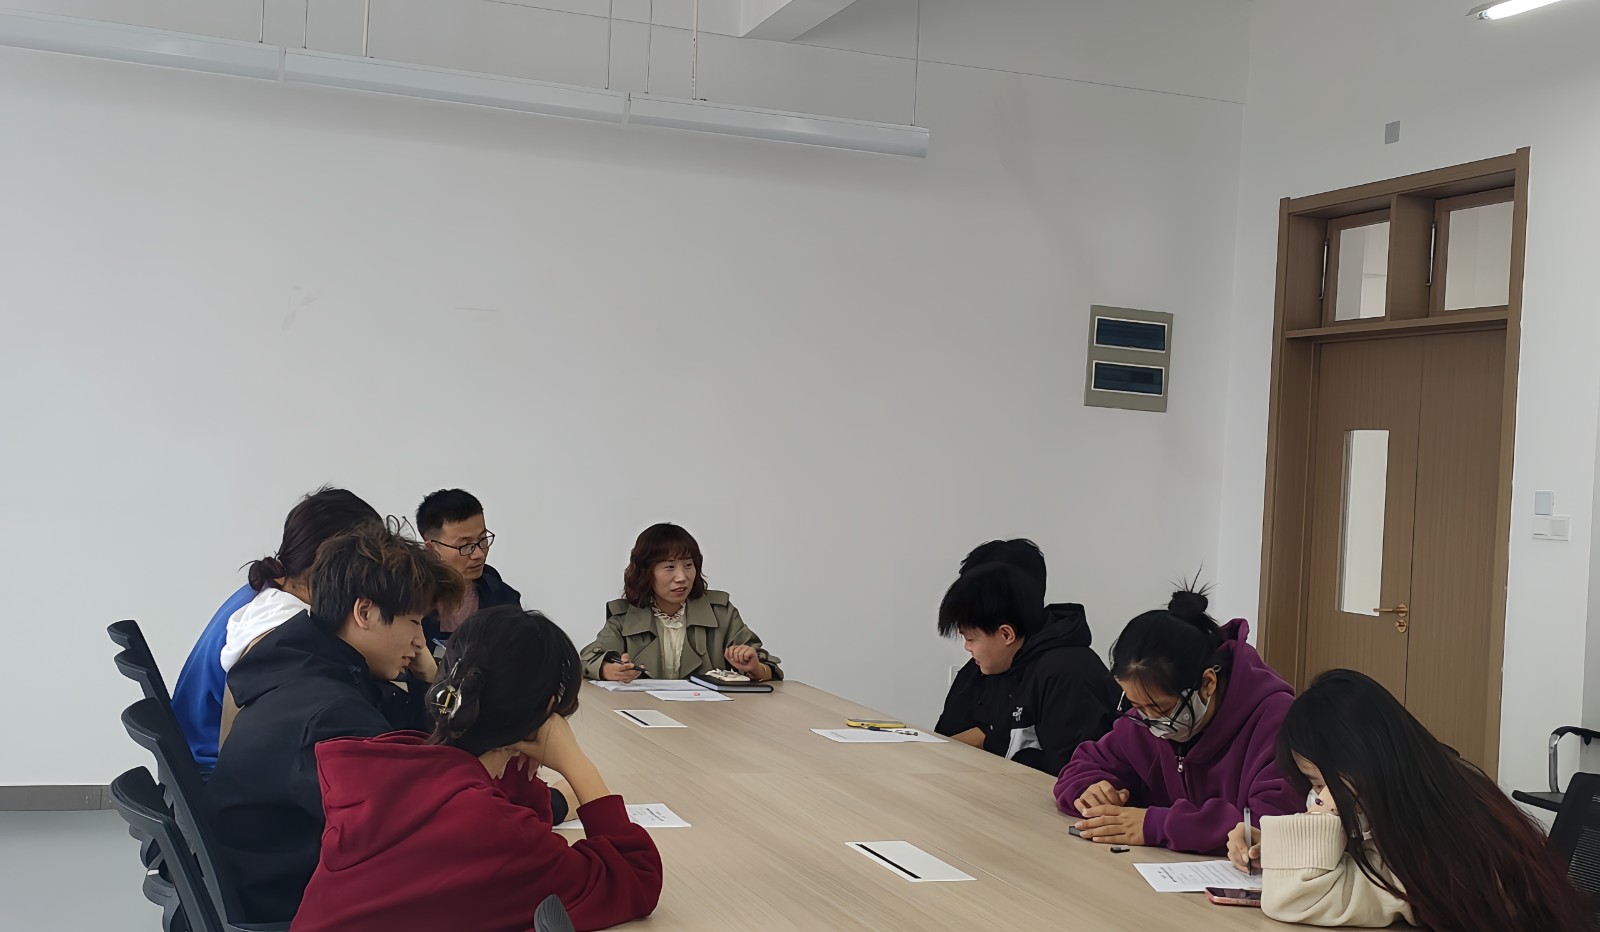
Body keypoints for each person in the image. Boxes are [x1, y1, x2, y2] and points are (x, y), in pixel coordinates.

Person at [292, 607, 664, 932]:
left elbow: (528, 833)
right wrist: (576, 764)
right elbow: (635, 876)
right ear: (548, 710)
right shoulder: (489, 826)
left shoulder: (395, 763)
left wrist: (517, 756)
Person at [205, 525, 465, 924]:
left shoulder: (308, 664)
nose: (419, 642)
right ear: (365, 613)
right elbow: (415, 826)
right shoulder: (330, 713)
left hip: (270, 879)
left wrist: (429, 681)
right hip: (287, 905)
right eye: (414, 622)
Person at [1226, 669, 1589, 931]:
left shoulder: (1440, 844)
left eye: (1321, 784)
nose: (1317, 799)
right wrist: (1277, 846)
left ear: (1362, 765)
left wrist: (1315, 826)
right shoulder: (1425, 794)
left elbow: (1297, 900)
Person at [1053, 587, 1300, 854]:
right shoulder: (1144, 720)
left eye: (1160, 707)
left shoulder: (1276, 721)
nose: (1151, 722)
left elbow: (1273, 827)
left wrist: (1159, 825)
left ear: (1208, 683)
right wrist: (1090, 790)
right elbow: (1081, 767)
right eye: (1137, 706)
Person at [171, 486, 381, 770]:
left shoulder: (263, 593)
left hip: (196, 746)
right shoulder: (284, 625)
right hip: (211, 761)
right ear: (329, 559)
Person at [933, 539, 1117, 776]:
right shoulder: (998, 662)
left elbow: (1076, 776)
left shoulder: (1065, 671)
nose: (967, 647)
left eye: (971, 638)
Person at [581, 523, 781, 683]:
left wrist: (756, 668)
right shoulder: (625, 617)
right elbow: (586, 660)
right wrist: (608, 670)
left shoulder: (721, 612)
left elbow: (769, 666)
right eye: (669, 567)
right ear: (646, 572)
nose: (682, 577)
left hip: (709, 715)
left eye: (688, 565)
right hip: (642, 713)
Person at [417, 488, 522, 651]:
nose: (479, 554)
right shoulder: (408, 602)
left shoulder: (503, 600)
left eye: (483, 539)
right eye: (464, 546)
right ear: (431, 549)